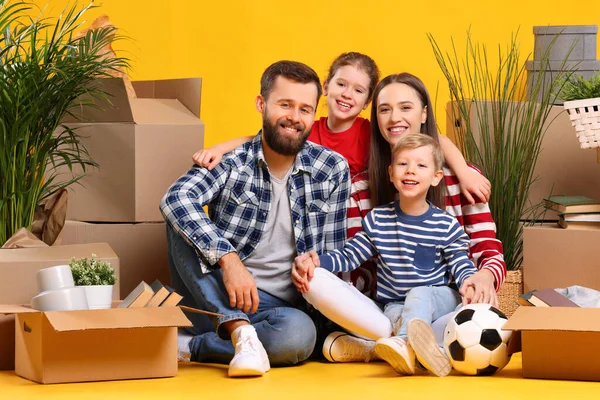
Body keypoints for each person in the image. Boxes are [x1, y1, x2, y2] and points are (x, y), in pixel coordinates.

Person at [191, 53, 491, 296]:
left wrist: (463, 170)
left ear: (365, 103)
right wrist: (222, 146)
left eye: (359, 91)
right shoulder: (310, 132)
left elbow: (431, 140)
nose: (348, 95)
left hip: (429, 281)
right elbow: (267, 136)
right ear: (326, 86)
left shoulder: (367, 133)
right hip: (334, 234)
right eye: (341, 85)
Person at [294, 72, 507, 373]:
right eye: (384, 109)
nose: (395, 117)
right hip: (389, 306)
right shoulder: (362, 193)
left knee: (473, 322)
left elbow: (479, 254)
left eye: (405, 107)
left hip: (448, 304)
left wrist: (481, 278)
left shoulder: (461, 180)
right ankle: (408, 343)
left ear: (424, 114)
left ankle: (379, 346)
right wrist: (319, 264)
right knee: (316, 280)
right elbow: (356, 263)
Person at [160, 60, 351, 378]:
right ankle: (238, 331)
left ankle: (190, 346)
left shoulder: (331, 168)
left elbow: (331, 254)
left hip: (278, 308)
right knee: (179, 217)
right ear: (262, 104)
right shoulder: (230, 162)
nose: (294, 117)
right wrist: (229, 260)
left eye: (305, 109)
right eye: (285, 104)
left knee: (298, 337)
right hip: (216, 293)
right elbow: (176, 198)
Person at [292, 133, 479, 377]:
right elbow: (350, 255)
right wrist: (318, 261)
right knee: (393, 316)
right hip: (395, 306)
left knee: (420, 293)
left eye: (421, 165)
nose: (410, 171)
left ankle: (401, 345)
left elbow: (460, 263)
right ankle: (419, 348)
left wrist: (470, 282)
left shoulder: (446, 224)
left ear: (436, 177)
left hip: (440, 302)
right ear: (391, 173)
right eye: (403, 164)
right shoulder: (378, 220)